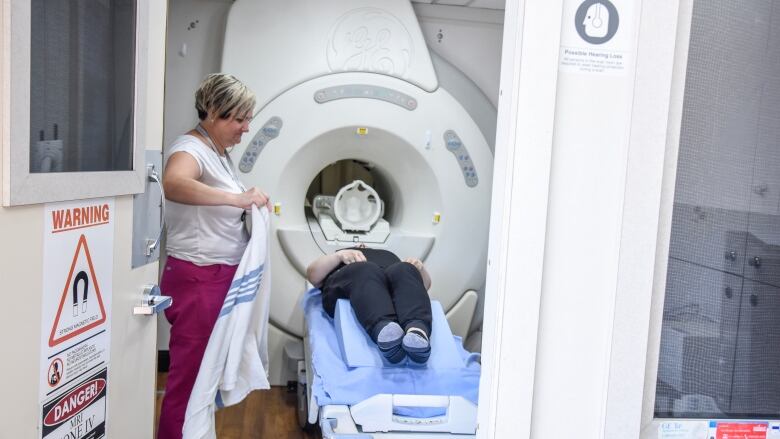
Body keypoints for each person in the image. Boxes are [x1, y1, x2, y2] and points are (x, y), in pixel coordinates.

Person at [157, 73, 270, 439]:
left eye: (247, 118)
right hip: (197, 280)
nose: (246, 127)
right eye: (238, 119)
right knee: (189, 385)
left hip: (218, 279)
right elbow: (174, 183)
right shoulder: (190, 149)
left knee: (205, 382)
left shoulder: (219, 154)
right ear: (212, 112)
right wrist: (237, 199)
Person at [306, 245, 433, 363]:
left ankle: (417, 332)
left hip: (388, 280)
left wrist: (419, 269)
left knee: (404, 268)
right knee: (366, 268)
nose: (362, 245)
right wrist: (339, 255)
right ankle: (386, 333)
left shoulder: (389, 255)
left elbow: (424, 286)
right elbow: (313, 276)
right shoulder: (342, 255)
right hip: (353, 279)